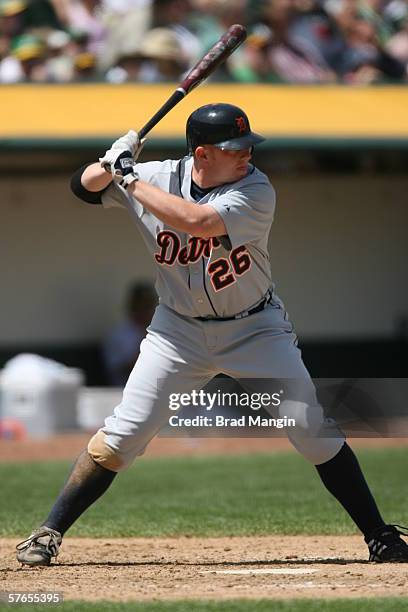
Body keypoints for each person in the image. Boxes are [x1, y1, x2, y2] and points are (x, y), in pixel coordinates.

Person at [16, 102, 408, 566]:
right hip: (176, 332)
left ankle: (379, 535)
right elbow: (81, 189)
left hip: (255, 328)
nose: (246, 154)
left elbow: (195, 221)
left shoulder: (256, 190)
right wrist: (107, 163)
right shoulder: (153, 175)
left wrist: (128, 177)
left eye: (247, 146)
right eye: (234, 148)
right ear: (202, 154)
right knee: (122, 437)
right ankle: (48, 532)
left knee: (309, 426)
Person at [103, 281, 157, 386]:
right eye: (141, 306)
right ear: (132, 307)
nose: (146, 311)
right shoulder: (118, 336)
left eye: (149, 306)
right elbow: (119, 369)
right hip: (123, 391)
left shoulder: (162, 333)